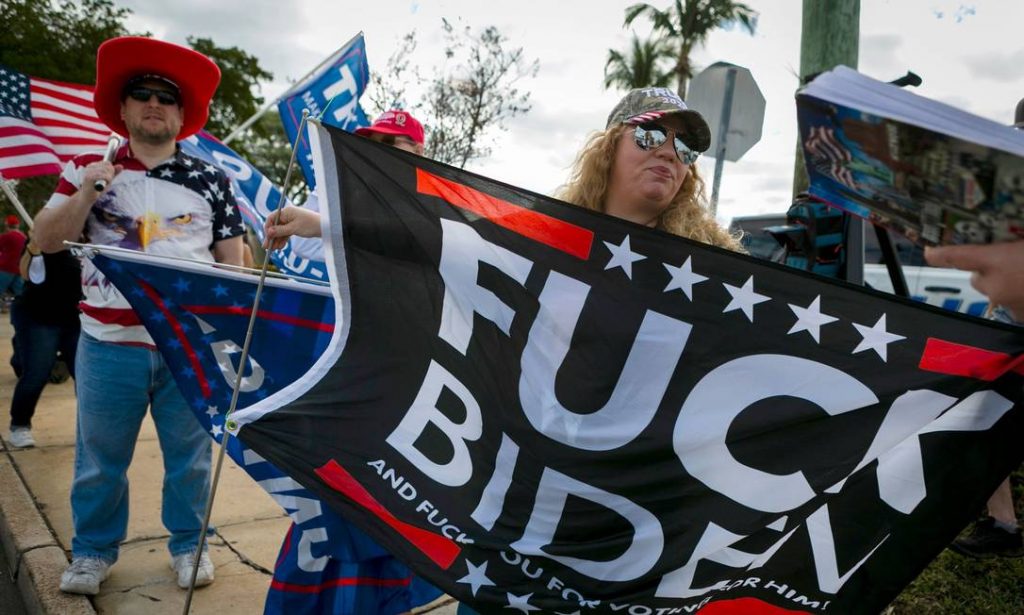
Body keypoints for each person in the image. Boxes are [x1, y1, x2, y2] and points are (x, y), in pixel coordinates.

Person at [32, 36, 245, 596]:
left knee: (192, 462)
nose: (154, 104)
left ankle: (189, 546)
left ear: (183, 114)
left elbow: (234, 266)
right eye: (142, 94)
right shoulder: (86, 167)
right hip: (107, 343)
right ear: (122, 109)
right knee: (100, 460)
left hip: (186, 346)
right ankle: (93, 552)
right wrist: (85, 193)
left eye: (167, 98)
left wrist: (230, 330)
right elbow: (44, 241)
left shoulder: (212, 181)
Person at [557, 87, 741, 249]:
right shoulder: (549, 235)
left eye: (685, 146)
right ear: (610, 147)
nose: (669, 153)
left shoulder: (709, 265)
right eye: (649, 134)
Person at [263, 109, 426, 249]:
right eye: (371, 143)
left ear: (418, 151)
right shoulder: (369, 200)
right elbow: (303, 245)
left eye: (388, 142)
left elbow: (405, 242)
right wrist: (329, 184)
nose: (378, 151)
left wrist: (322, 225)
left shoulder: (435, 199)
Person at [6, 239, 82, 449]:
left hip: (76, 318)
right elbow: (26, 274)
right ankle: (19, 426)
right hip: (38, 316)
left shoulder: (93, 236)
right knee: (36, 373)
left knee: (86, 376)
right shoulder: (47, 232)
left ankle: (89, 430)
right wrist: (34, 247)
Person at [0, 214, 28, 312]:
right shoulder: (23, 237)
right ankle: (27, 309)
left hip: (5, 268)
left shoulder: (6, 236)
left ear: (7, 225)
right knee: (20, 292)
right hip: (18, 268)